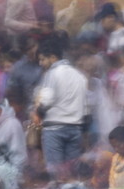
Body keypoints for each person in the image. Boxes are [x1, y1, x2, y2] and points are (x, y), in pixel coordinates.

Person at [33, 38, 88, 171]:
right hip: (75, 128)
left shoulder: (52, 74)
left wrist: (38, 112)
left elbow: (47, 100)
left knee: (55, 171)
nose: (41, 63)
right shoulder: (79, 75)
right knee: (72, 171)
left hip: (54, 129)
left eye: (43, 59)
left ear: (53, 57)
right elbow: (85, 106)